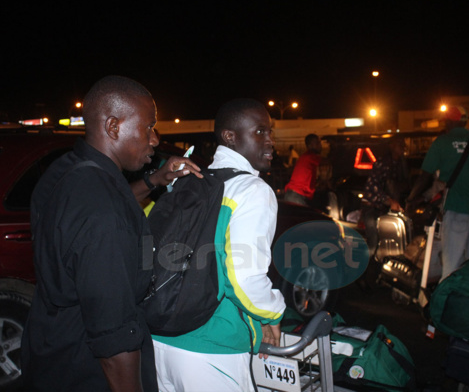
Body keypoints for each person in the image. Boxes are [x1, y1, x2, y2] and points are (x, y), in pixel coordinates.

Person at [21, 75, 201, 392]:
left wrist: (155, 180)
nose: (156, 139)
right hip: (87, 371)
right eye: (148, 127)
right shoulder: (103, 213)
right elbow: (114, 338)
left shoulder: (68, 171)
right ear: (114, 127)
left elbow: (110, 204)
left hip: (51, 351)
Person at [152, 98, 286, 391]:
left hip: (158, 342)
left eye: (270, 132)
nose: (271, 142)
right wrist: (271, 312)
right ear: (230, 137)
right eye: (260, 132)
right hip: (211, 347)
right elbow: (243, 277)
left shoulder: (188, 181)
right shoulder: (252, 190)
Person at [406, 106, 469, 281]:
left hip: (456, 206)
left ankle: (446, 301)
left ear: (451, 121)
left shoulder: (443, 142)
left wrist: (411, 199)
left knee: (451, 262)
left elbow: (424, 175)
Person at [360, 135, 409, 257]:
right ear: (391, 146)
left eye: (403, 144)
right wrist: (389, 200)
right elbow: (373, 187)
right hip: (372, 207)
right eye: (399, 143)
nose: (403, 147)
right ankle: (366, 270)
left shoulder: (399, 163)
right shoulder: (382, 163)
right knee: (374, 243)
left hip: (384, 208)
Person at [283, 133, 323, 206]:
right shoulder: (311, 157)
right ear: (310, 145)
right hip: (297, 196)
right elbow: (327, 163)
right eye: (317, 143)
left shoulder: (306, 156)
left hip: (294, 194)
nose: (320, 145)